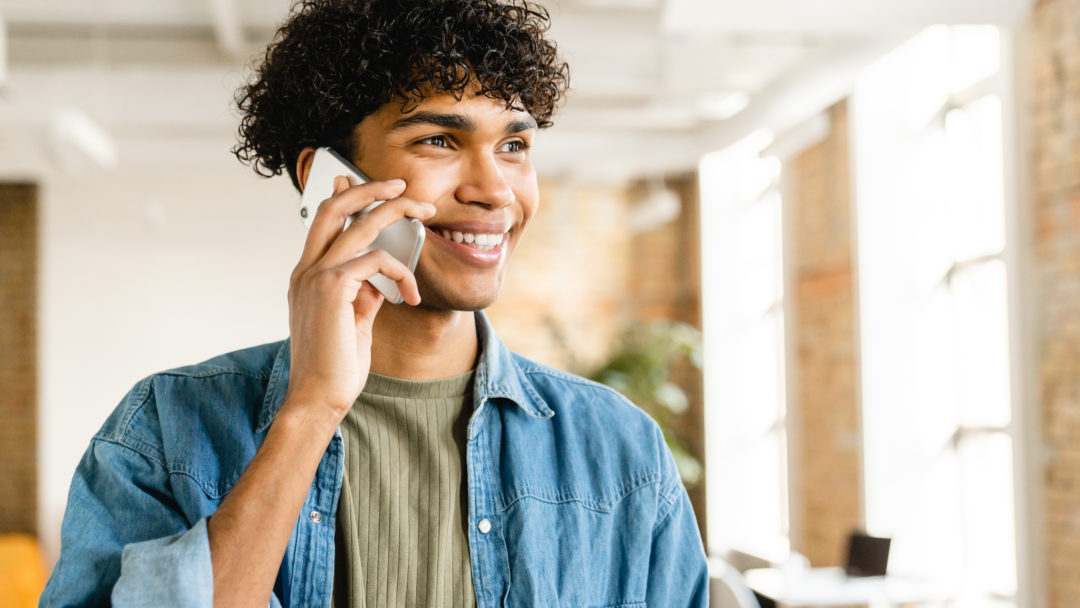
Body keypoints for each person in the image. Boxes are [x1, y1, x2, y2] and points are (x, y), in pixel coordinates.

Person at [39, 1, 710, 606]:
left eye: (514, 146)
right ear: (329, 179)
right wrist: (311, 410)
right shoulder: (165, 432)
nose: (495, 190)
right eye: (439, 140)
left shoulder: (620, 453)